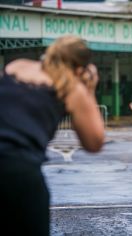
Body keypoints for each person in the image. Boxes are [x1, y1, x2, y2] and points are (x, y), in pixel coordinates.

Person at [0, 36, 104, 236]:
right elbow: (94, 142)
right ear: (80, 67)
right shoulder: (72, 87)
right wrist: (89, 90)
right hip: (19, 173)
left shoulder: (16, 66)